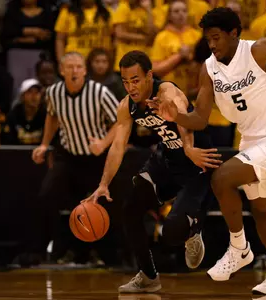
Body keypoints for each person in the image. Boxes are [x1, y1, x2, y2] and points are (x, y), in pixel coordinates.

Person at [147, 7, 266, 295]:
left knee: (221, 178)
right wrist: (175, 117)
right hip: (249, 142)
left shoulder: (259, 51)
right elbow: (199, 118)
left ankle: (238, 248)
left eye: (217, 38)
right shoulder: (209, 68)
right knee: (262, 210)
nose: (212, 45)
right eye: (208, 40)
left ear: (234, 33)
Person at [83, 50, 219, 293]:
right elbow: (117, 146)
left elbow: (183, 114)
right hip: (167, 159)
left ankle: (193, 230)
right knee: (130, 209)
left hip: (197, 161)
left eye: (135, 80)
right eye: (125, 81)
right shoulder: (127, 106)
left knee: (172, 233)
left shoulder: (166, 92)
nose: (130, 87)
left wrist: (188, 147)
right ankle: (148, 275)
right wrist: (103, 184)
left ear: (148, 76)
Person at [29, 52, 119, 265]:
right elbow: (52, 116)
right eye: (70, 67)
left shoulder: (99, 92)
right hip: (68, 157)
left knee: (101, 205)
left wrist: (103, 143)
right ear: (62, 71)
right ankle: (57, 249)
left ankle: (105, 255)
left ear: (85, 70)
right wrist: (44, 144)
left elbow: (120, 122)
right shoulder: (53, 92)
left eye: (78, 67)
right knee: (47, 195)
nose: (74, 71)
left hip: (97, 159)